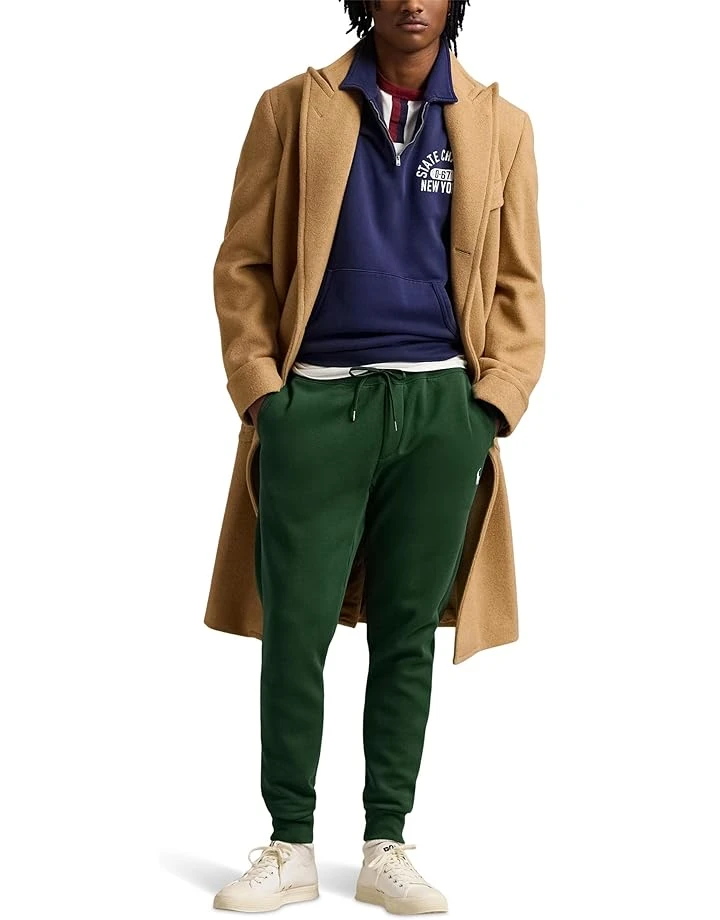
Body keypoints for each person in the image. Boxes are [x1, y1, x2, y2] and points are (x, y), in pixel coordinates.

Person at [208, 0, 545, 913]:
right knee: (296, 628)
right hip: (317, 402)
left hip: (441, 409)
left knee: (408, 631)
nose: (411, 1)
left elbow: (519, 282)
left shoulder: (502, 125)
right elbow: (242, 262)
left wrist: (492, 404)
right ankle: (289, 845)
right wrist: (265, 393)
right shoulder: (292, 107)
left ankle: (386, 844)